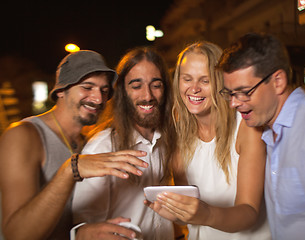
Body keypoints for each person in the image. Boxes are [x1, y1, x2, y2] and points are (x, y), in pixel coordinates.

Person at [217, 32, 305, 239]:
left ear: (278, 81)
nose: (233, 103)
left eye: (244, 91)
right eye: (230, 93)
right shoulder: (268, 131)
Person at [0, 50, 148, 240]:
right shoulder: (23, 135)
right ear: (61, 90)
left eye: (104, 90)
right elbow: (17, 234)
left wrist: (82, 233)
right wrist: (71, 169)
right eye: (87, 87)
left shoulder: (89, 143)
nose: (98, 99)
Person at [147, 41, 271, 239]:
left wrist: (206, 214)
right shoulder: (178, 132)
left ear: (222, 82)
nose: (194, 89)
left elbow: (249, 212)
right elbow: (192, 213)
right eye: (187, 79)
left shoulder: (247, 127)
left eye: (205, 81)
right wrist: (176, 213)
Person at [71, 46, 177, 239]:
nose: (147, 96)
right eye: (136, 86)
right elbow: (85, 227)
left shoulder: (168, 140)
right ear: (122, 93)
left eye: (156, 85)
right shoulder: (102, 148)